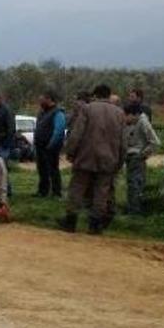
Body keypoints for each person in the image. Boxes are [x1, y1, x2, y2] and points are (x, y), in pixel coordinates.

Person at [58, 84, 126, 235]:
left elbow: (77, 133)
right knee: (102, 192)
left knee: (77, 188)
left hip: (86, 156)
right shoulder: (119, 113)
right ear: (109, 95)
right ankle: (95, 225)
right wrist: (120, 160)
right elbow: (123, 141)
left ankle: (70, 221)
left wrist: (70, 152)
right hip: (109, 159)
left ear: (95, 95)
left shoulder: (87, 109)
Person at [123, 103, 160, 215]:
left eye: (126, 115)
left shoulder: (143, 122)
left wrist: (142, 154)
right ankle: (132, 208)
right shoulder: (133, 123)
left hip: (137, 156)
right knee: (132, 184)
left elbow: (155, 142)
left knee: (135, 184)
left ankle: (135, 211)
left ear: (133, 114)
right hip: (131, 156)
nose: (124, 118)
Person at [34, 89, 67, 198]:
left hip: (50, 147)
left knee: (53, 170)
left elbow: (59, 130)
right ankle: (42, 191)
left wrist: (51, 144)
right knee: (42, 170)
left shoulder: (58, 113)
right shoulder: (42, 112)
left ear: (49, 99)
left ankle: (56, 192)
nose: (40, 101)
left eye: (42, 99)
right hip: (40, 146)